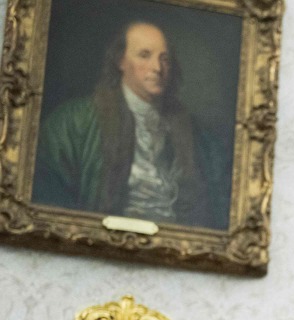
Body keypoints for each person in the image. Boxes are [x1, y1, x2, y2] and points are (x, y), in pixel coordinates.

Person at [34, 20, 226, 228]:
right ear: (121, 61)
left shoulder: (195, 133)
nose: (157, 68)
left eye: (165, 59)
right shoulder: (74, 121)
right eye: (144, 55)